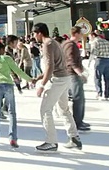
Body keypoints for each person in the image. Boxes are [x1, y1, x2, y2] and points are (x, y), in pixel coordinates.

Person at [32, 23, 82, 152]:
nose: (33, 36)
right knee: (63, 109)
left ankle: (51, 141)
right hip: (65, 78)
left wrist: (42, 85)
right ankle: (74, 137)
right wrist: (39, 77)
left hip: (58, 79)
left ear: (39, 33)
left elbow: (50, 67)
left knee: (45, 109)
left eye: (34, 33)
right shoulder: (53, 42)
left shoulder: (47, 44)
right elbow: (55, 64)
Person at [62, 26, 90, 131]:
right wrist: (80, 73)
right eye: (81, 33)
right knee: (78, 98)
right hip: (72, 74)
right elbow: (71, 61)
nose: (82, 36)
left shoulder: (66, 44)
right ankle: (78, 122)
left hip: (69, 73)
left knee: (78, 97)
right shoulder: (71, 45)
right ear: (77, 34)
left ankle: (78, 121)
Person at [87, 31, 109, 100]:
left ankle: (99, 93)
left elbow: (93, 53)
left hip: (100, 60)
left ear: (93, 35)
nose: (89, 39)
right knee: (107, 79)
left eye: (89, 37)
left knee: (97, 77)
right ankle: (107, 94)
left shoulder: (95, 42)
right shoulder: (107, 42)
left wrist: (89, 62)